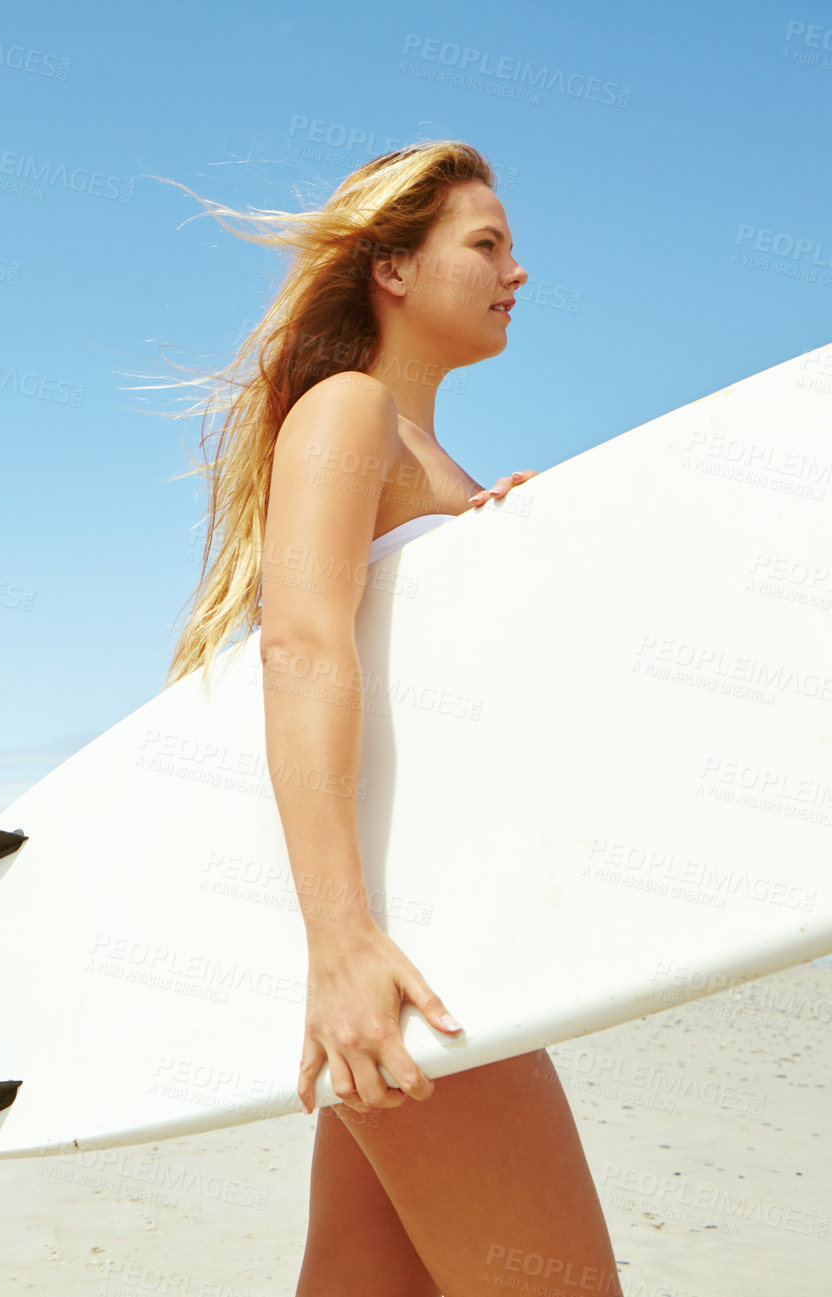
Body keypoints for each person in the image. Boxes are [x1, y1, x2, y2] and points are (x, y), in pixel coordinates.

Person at [159, 143, 623, 1296]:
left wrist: (493, 544)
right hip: (408, 949)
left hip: (414, 934)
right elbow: (302, 647)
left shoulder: (428, 457)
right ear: (393, 269)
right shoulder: (349, 410)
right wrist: (340, 946)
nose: (518, 269)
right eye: (486, 244)